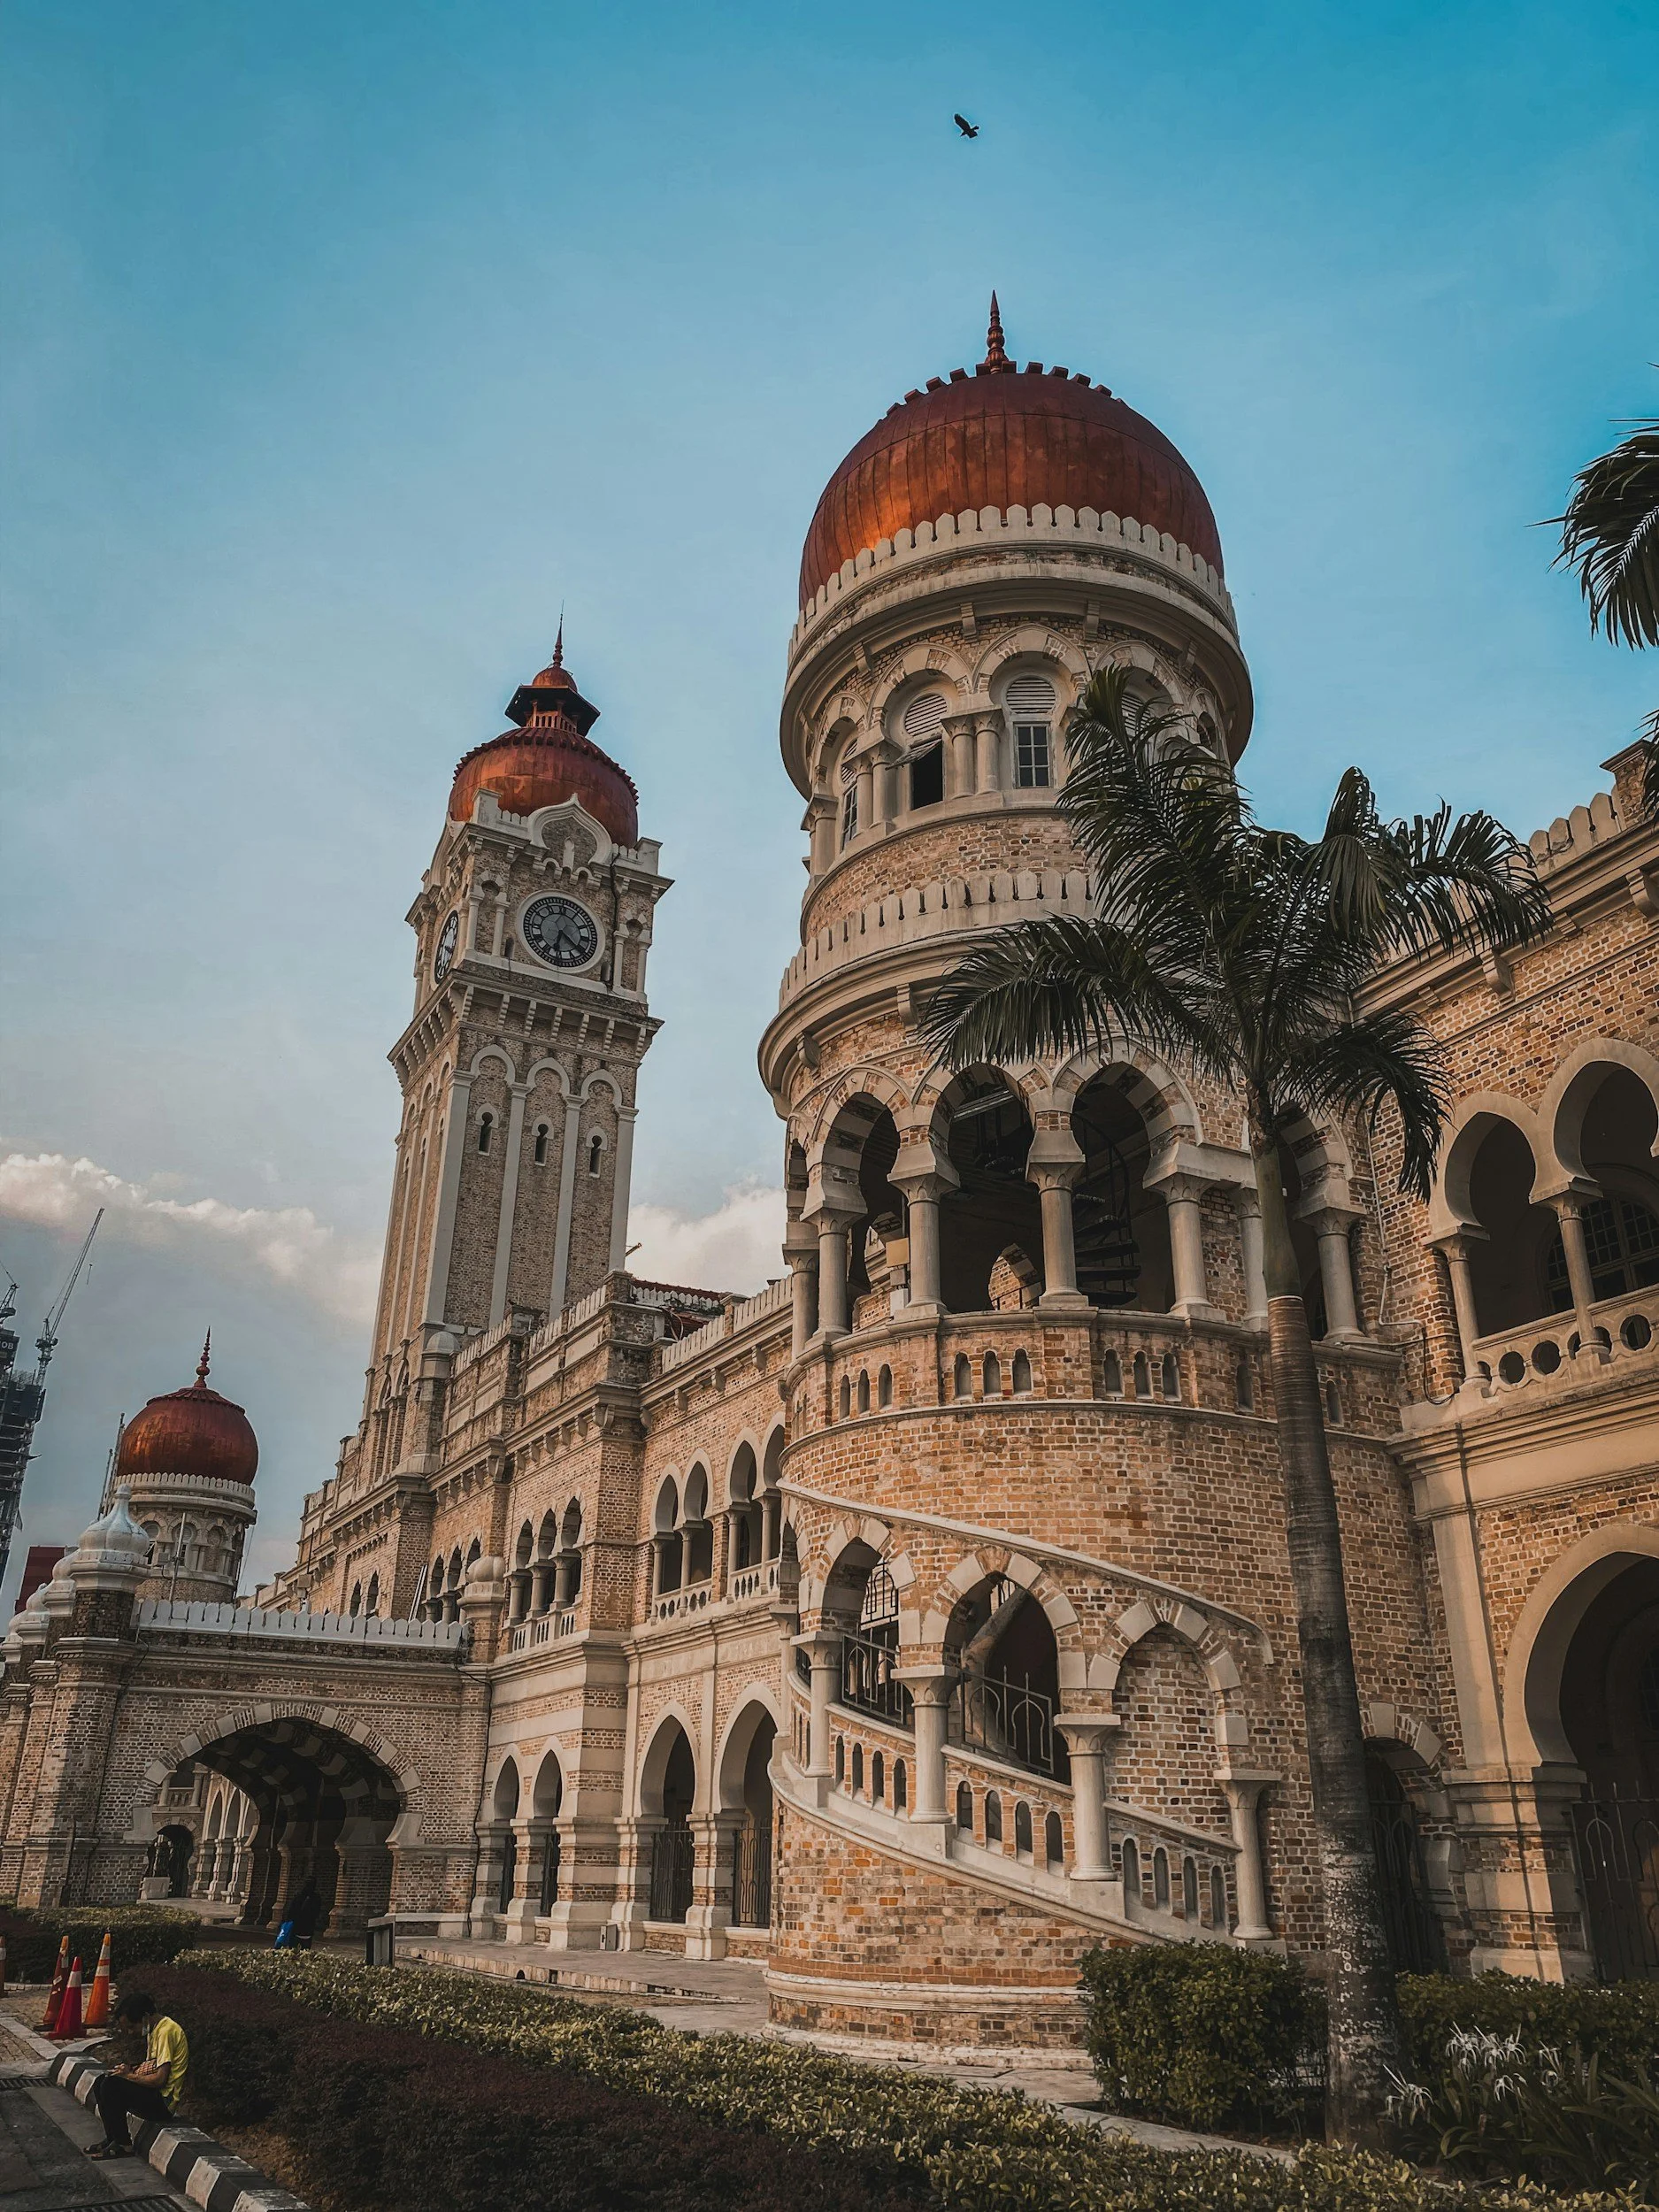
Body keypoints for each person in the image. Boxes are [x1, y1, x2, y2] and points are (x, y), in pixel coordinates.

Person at [85, 1991, 188, 2161]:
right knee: (101, 2081)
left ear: (146, 2017)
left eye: (132, 2027)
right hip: (153, 2095)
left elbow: (159, 2079)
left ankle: (124, 2145)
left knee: (111, 2086)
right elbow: (152, 2066)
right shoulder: (156, 2030)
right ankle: (113, 2138)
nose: (131, 2033)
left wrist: (128, 2077)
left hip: (163, 2103)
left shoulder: (167, 2032)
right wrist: (130, 2070)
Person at [288, 1878, 323, 1950]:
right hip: (309, 1928)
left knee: (294, 1950)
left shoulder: (298, 1896)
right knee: (305, 1950)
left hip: (296, 1927)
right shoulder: (316, 1898)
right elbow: (317, 1913)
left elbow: (291, 1911)